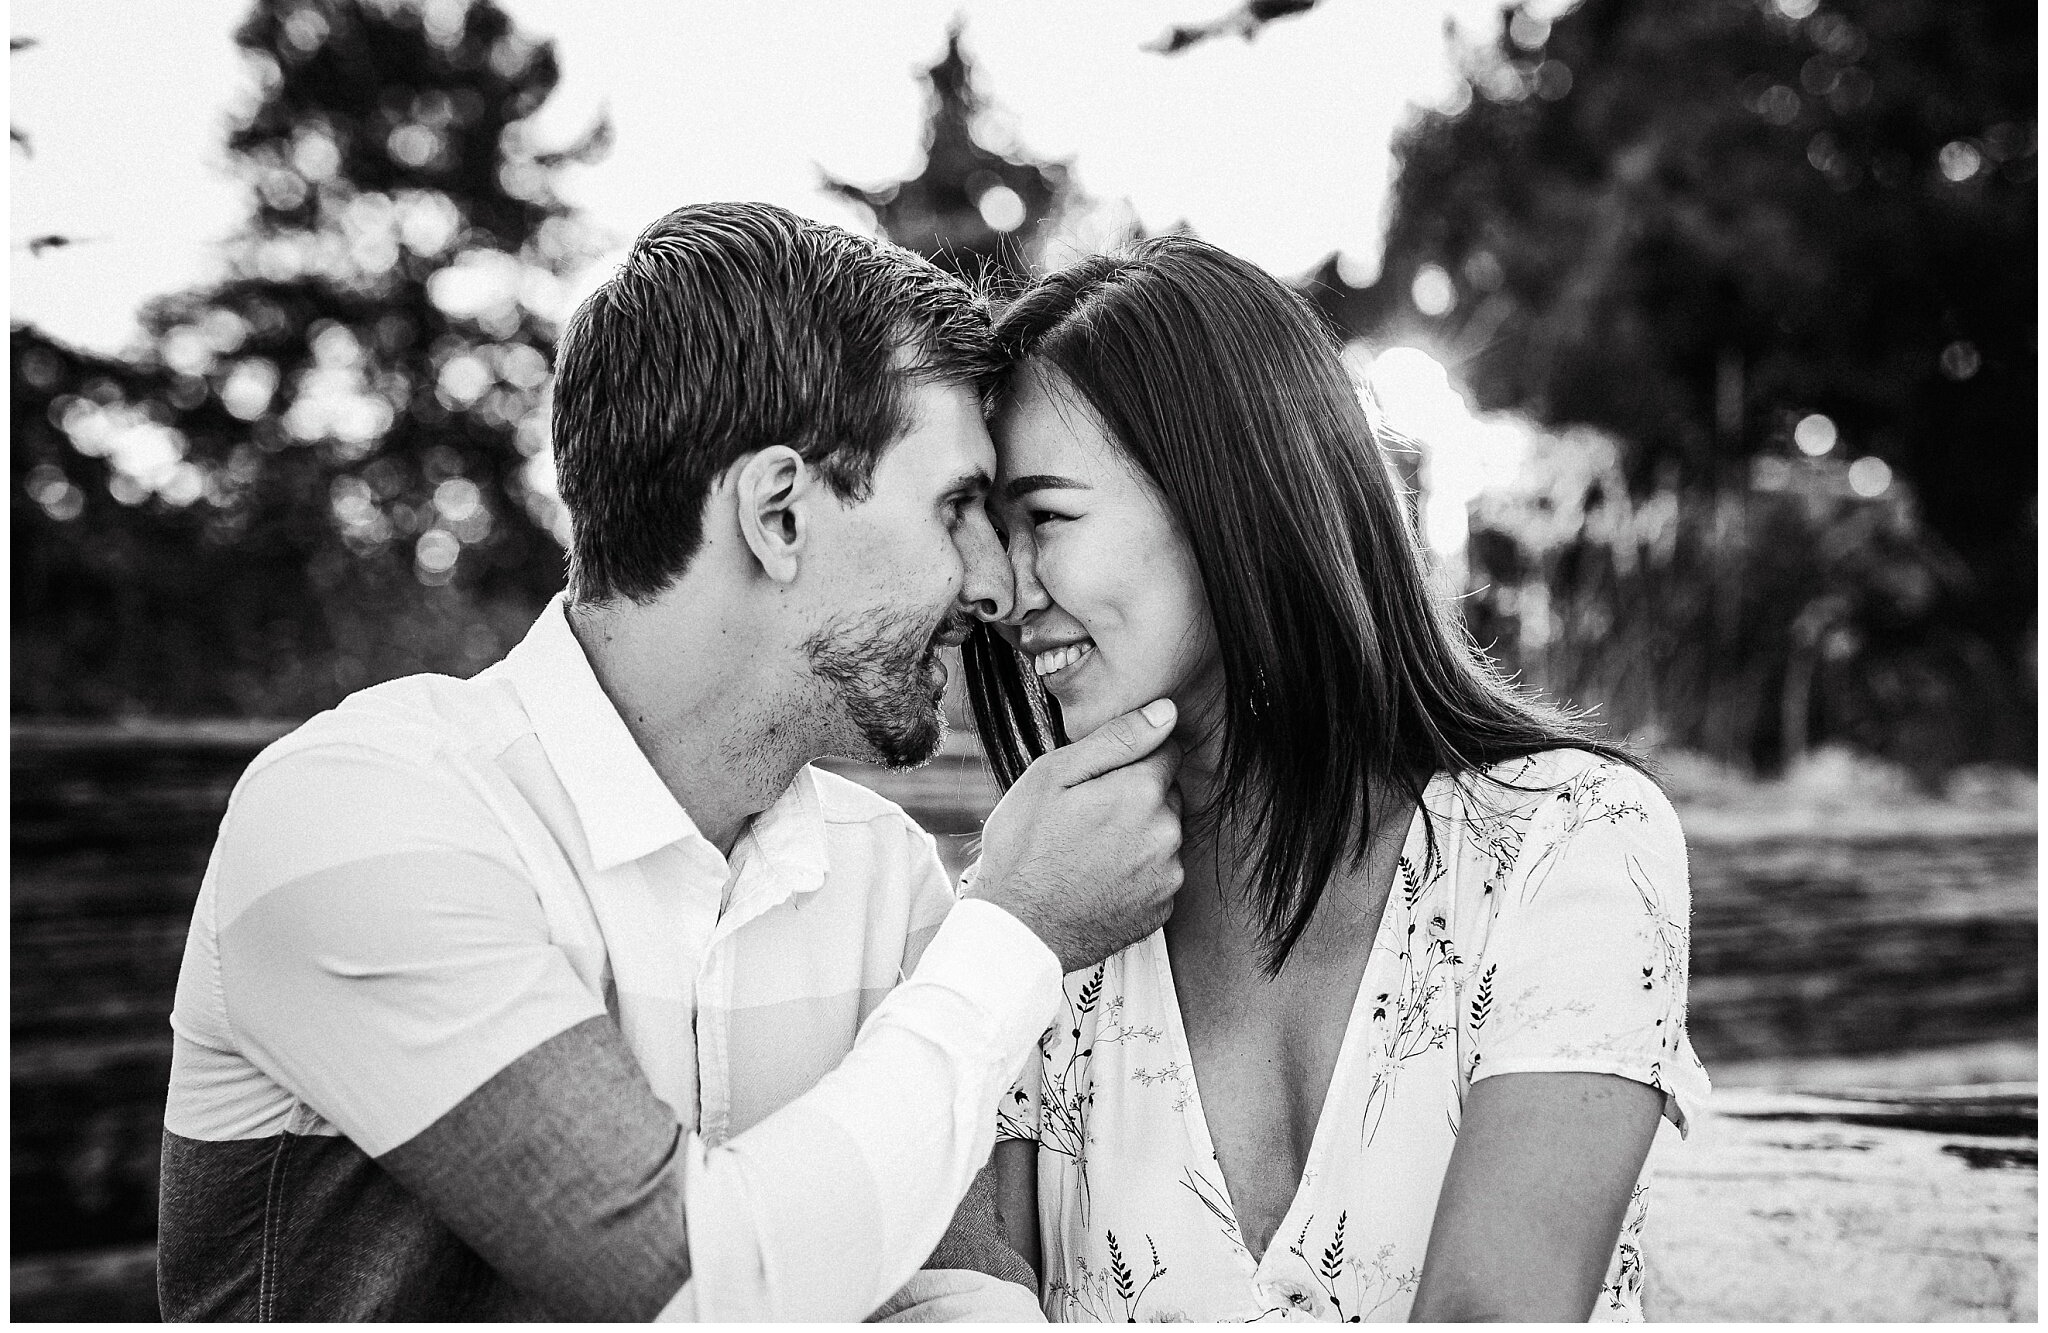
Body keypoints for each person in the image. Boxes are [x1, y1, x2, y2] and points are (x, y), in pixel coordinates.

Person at [156, 203, 1188, 1322]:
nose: (993, 588)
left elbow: (954, 1298)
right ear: (778, 514)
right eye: (954, 509)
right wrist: (1019, 932)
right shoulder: (362, 813)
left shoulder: (882, 879)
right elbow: (694, 1290)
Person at [964, 236, 1711, 1322]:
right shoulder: (1038, 905)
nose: (997, 585)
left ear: (1224, 496)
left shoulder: (1564, 843)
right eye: (988, 532)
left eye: (1042, 517)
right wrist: (1009, 929)